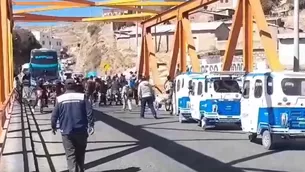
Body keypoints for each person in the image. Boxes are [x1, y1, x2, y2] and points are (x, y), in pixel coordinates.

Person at [51, 79, 94, 172]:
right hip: (81, 130)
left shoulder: (60, 99)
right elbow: (89, 111)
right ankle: (81, 169)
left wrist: (53, 126)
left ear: (64, 87)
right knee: (80, 154)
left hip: (66, 131)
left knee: (70, 155)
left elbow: (54, 115)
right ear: (75, 86)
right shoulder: (82, 96)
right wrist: (91, 125)